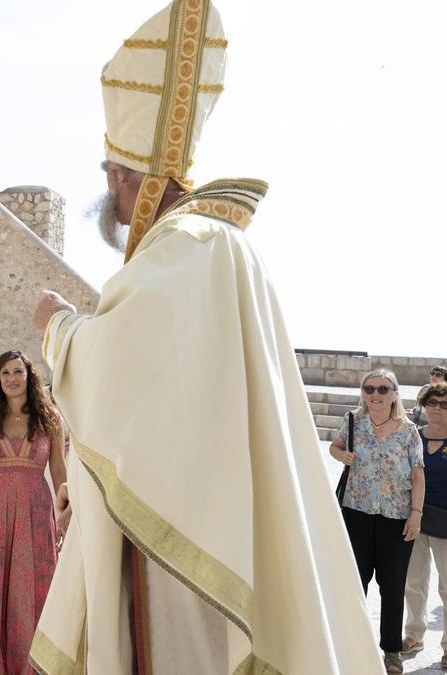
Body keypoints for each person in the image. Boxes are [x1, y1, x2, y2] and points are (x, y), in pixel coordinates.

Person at [27, 2, 380, 672]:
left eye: (111, 176)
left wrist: (59, 327)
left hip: (180, 522)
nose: (111, 198)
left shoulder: (181, 246)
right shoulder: (225, 246)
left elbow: (122, 367)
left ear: (131, 177)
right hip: (220, 496)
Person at [0, 350, 65, 675]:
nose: (12, 378)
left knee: (36, 588)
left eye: (18, 371)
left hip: (36, 513)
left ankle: (33, 666)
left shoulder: (50, 418)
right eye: (5, 373)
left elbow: (59, 469)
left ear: (29, 376)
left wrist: (66, 514)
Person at [330, 369, 425, 672]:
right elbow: (335, 446)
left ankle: (391, 650)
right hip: (356, 513)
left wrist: (416, 514)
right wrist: (340, 456)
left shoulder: (409, 431)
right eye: (369, 389)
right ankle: (350, 644)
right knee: (355, 582)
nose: (375, 394)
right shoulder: (352, 421)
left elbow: (417, 475)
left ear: (395, 394)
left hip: (396, 518)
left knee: (393, 587)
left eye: (383, 389)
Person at [403, 382, 447, 667]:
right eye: (432, 402)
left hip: (446, 523)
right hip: (414, 520)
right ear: (423, 405)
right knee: (413, 582)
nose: (437, 409)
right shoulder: (413, 437)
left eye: (445, 404)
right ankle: (414, 635)